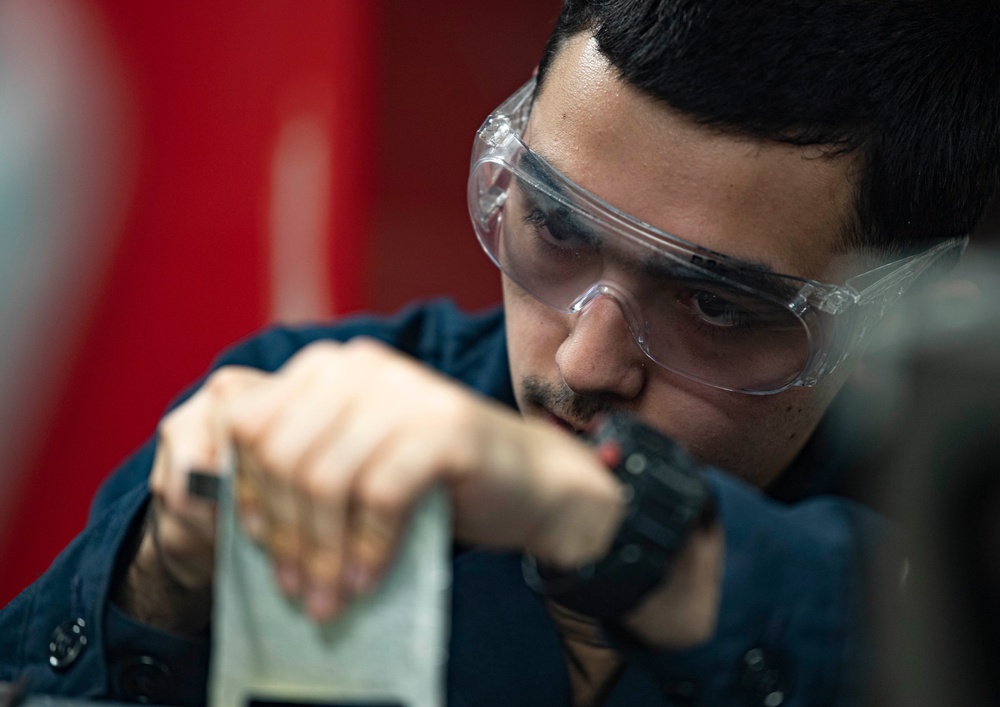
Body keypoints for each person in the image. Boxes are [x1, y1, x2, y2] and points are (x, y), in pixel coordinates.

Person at [2, 1, 998, 705]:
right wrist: (151, 591)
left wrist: (609, 521)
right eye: (557, 230)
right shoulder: (304, 401)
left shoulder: (955, 516)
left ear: (897, 306)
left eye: (713, 303)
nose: (583, 360)